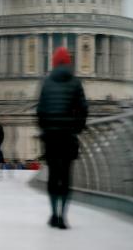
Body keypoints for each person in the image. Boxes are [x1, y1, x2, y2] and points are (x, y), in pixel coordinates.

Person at [37, 47, 88, 230]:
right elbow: (83, 109)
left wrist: (44, 130)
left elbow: (40, 110)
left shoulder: (46, 82)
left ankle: (53, 213)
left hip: (51, 137)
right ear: (68, 62)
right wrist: (76, 128)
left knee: (53, 176)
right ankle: (63, 217)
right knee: (66, 177)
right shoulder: (76, 83)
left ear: (53, 62)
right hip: (68, 136)